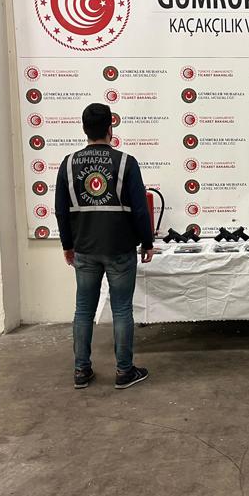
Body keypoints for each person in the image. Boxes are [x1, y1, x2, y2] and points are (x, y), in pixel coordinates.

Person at [55, 103, 155, 390]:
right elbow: (140, 210)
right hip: (120, 248)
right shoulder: (126, 162)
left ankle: (81, 370)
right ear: (111, 128)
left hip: (84, 248)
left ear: (84, 129)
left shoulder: (68, 164)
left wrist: (67, 245)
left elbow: (61, 210)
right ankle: (124, 371)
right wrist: (147, 242)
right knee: (122, 310)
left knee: (83, 310)